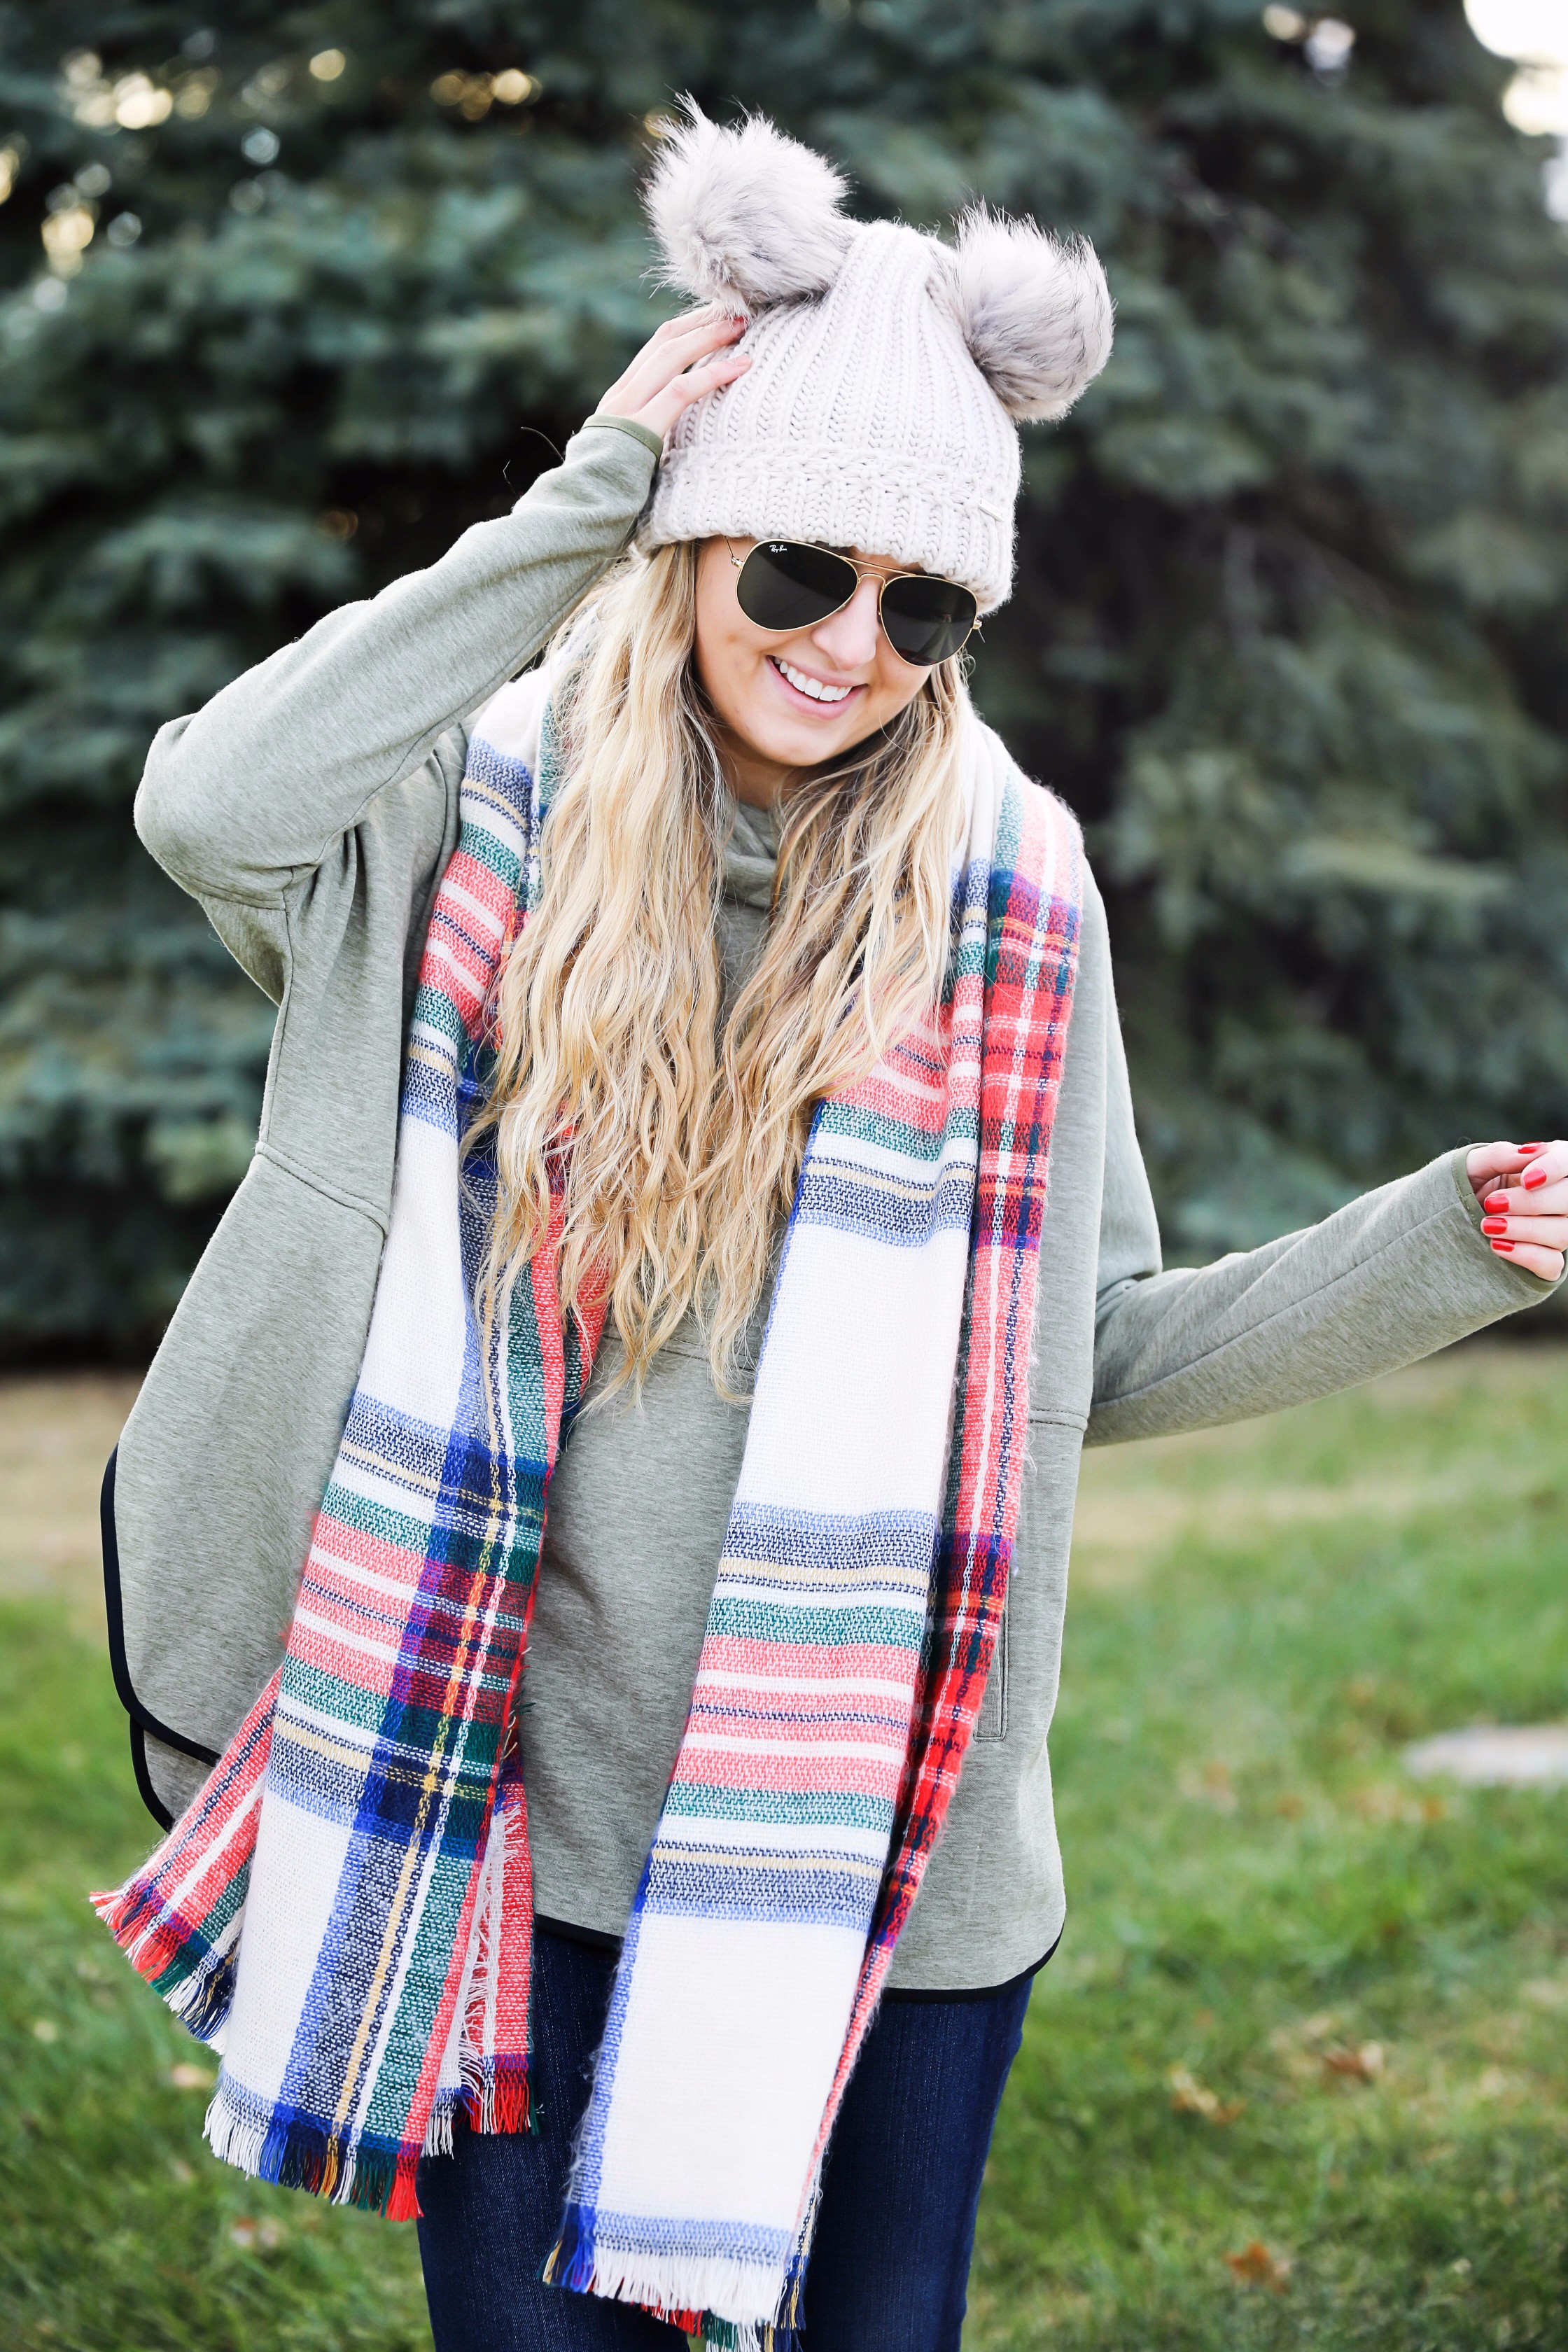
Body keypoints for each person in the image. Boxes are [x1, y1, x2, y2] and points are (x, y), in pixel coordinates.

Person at [97, 108, 1565, 2352]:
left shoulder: (1014, 900)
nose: (848, 642)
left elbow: (1108, 1351)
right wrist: (591, 496)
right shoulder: (468, 840)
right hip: (525, 1824)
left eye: (921, 601)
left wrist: (1448, 1243)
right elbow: (207, 799)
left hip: (897, 1864)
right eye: (796, 566)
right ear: (696, 545)